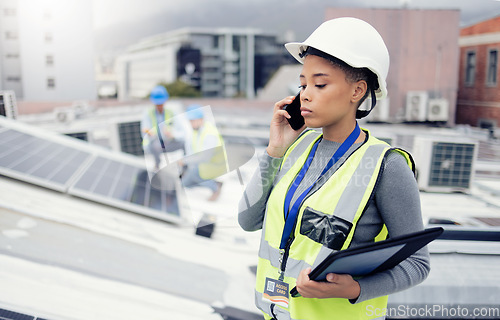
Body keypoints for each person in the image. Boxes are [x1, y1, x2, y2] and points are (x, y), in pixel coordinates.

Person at [238, 17, 430, 320]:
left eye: (320, 83)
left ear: (357, 91)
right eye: (302, 84)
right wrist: (274, 150)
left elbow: (417, 264)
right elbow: (248, 220)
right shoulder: (296, 147)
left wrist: (354, 289)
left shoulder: (387, 166)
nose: (306, 94)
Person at [181, 104, 226, 201]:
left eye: (193, 121)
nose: (191, 124)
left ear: (201, 119)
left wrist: (185, 161)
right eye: (190, 121)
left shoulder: (209, 133)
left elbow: (205, 157)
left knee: (190, 176)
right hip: (204, 164)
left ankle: (215, 187)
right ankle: (213, 182)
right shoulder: (196, 132)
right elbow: (192, 151)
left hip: (215, 164)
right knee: (186, 184)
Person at [141, 85, 186, 169]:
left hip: (170, 142)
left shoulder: (172, 112)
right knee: (154, 146)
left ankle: (185, 165)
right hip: (156, 144)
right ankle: (157, 166)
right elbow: (144, 134)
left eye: (161, 103)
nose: (159, 106)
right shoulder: (148, 114)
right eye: (157, 104)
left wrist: (173, 135)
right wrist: (151, 135)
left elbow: (182, 132)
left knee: (184, 142)